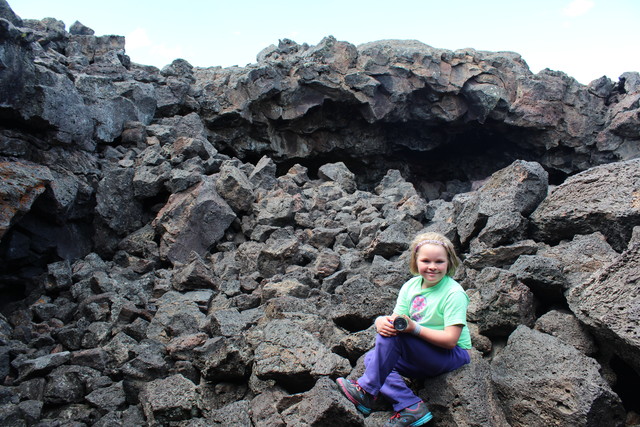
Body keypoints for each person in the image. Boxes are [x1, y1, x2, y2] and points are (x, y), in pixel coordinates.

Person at [336, 232, 472, 426]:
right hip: (426, 352)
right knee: (373, 358)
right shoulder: (411, 286)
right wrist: (380, 321)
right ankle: (411, 406)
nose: (432, 267)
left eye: (439, 262)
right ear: (416, 262)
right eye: (426, 261)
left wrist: (415, 329)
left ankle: (366, 391)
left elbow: (451, 341)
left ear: (449, 263)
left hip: (453, 355)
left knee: (393, 341)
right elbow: (396, 321)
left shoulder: (453, 293)